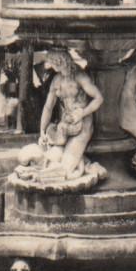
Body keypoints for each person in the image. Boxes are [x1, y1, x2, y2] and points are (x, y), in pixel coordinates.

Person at [33, 49, 103, 180]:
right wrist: (42, 131)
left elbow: (99, 98)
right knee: (49, 162)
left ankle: (84, 164)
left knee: (65, 168)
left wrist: (83, 113)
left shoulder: (80, 77)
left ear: (59, 61)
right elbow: (48, 107)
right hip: (64, 127)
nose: (49, 65)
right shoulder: (56, 80)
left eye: (51, 62)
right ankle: (84, 163)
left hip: (82, 126)